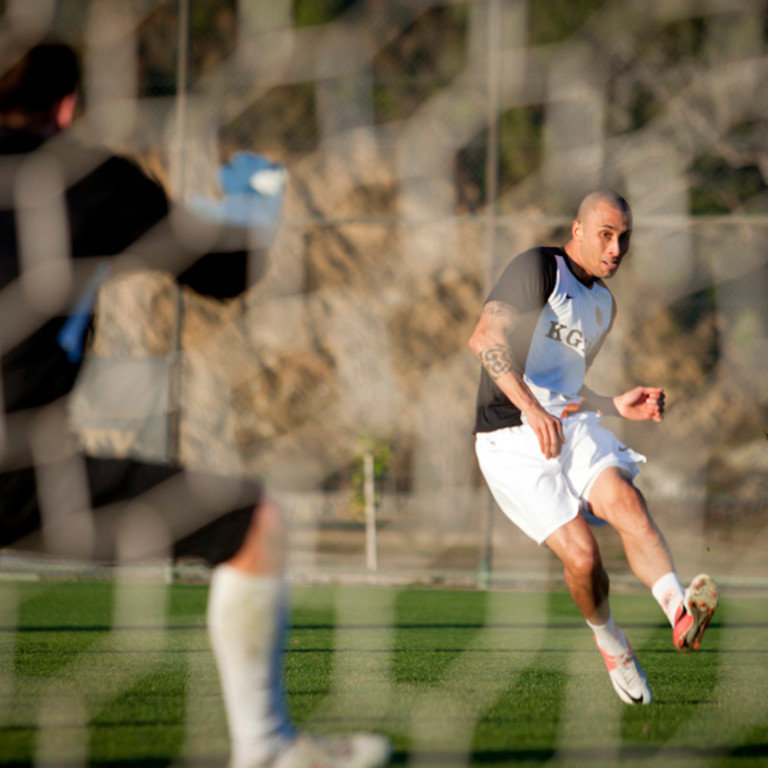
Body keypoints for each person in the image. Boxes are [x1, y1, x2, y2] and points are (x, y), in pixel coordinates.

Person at [0, 41, 390, 767]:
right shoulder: (89, 180)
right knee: (251, 523)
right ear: (66, 106)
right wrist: (255, 200)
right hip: (20, 471)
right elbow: (227, 269)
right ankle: (266, 747)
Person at [468, 189, 718, 705]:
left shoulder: (604, 304)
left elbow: (564, 387)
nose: (616, 248)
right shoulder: (539, 268)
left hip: (568, 426)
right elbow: (484, 338)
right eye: (606, 234)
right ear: (577, 230)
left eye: (625, 237)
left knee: (625, 501)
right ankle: (613, 644)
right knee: (583, 559)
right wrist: (530, 409)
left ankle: (679, 609)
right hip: (507, 437)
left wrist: (612, 404)